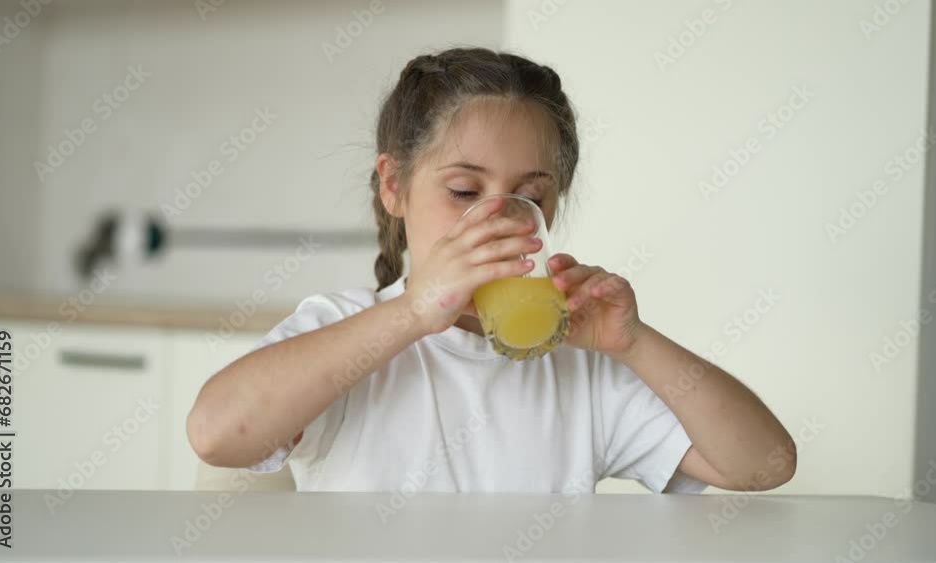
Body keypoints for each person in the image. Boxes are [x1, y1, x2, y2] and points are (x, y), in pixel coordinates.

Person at [187, 47, 796, 494]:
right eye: (462, 191)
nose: (499, 218)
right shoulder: (348, 329)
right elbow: (216, 434)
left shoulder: (578, 366)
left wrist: (636, 344)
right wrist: (412, 313)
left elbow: (766, 465)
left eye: (530, 195)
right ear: (395, 186)